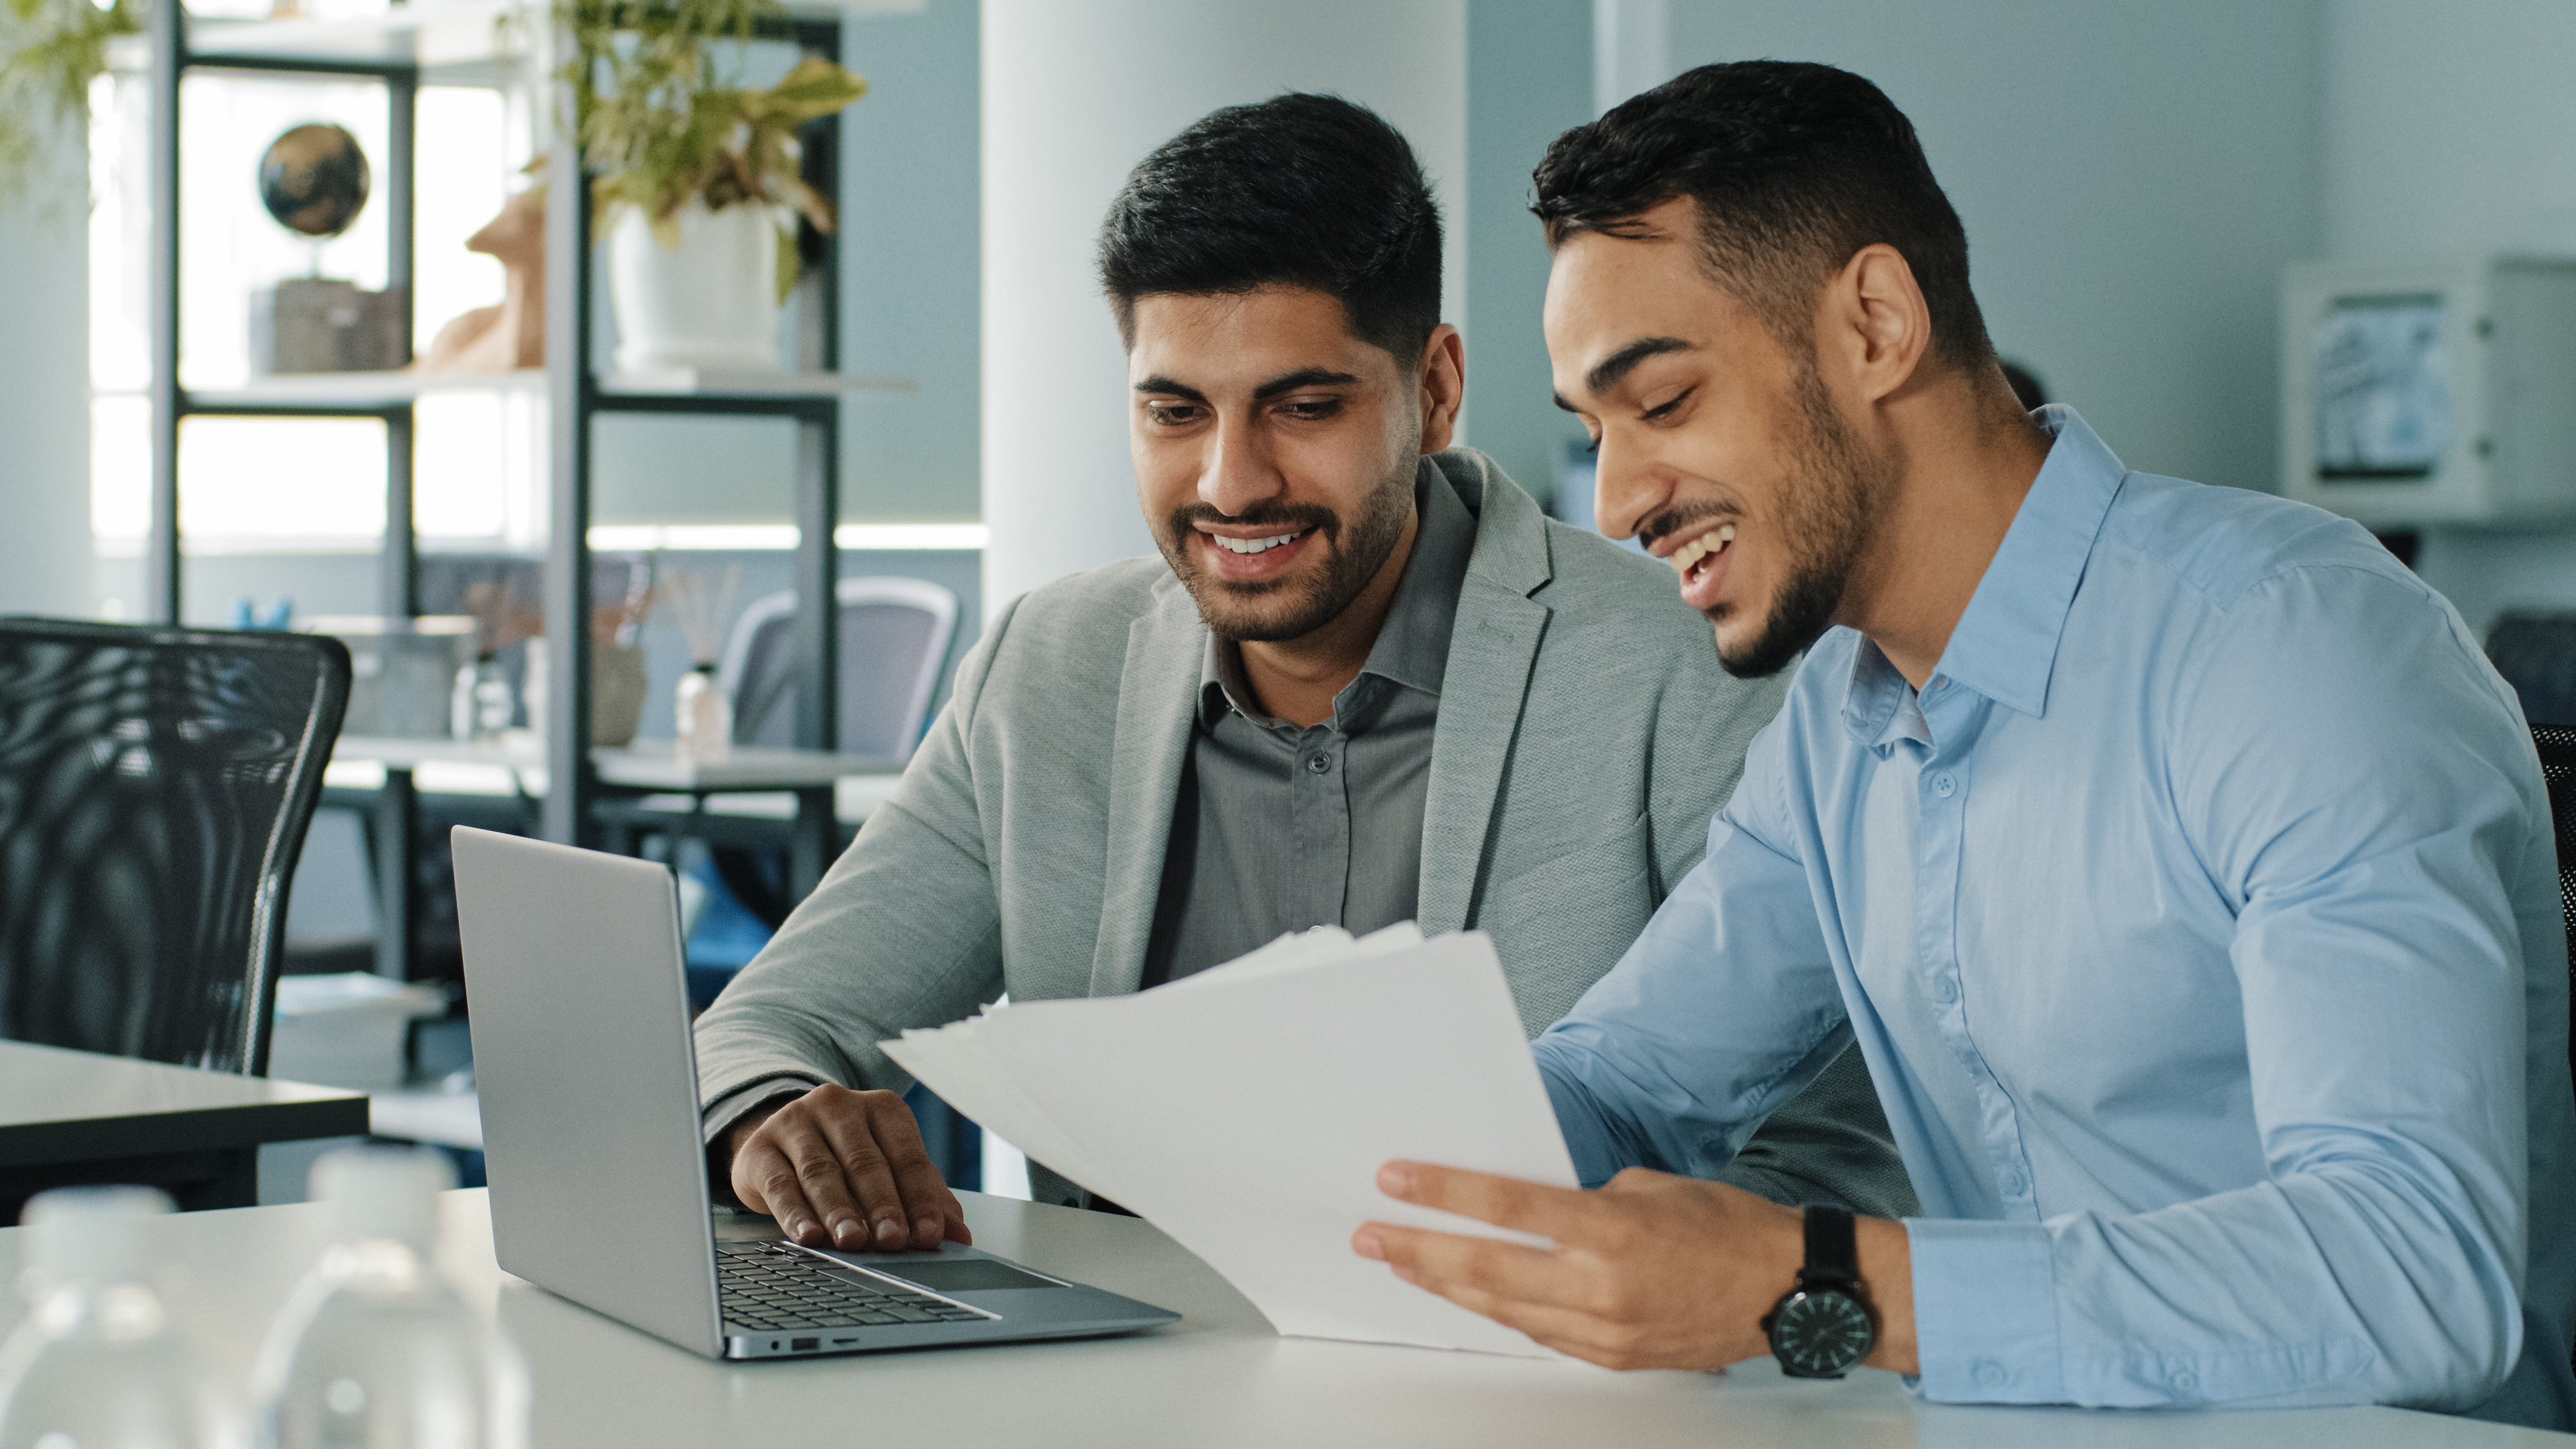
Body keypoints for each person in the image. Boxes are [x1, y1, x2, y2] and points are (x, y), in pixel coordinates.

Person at [1351, 62, 2576, 1431]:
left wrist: (1807, 1282)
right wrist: (1364, 1167)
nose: (1623, 497)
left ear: (1875, 323)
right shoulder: (1836, 720)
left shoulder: (2294, 648)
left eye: (1666, 403)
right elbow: (1628, 1083)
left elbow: (2415, 1272)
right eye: (1595, 431)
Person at [692, 93, 1915, 1258]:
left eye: (1303, 406)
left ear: (1434, 390)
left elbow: (1837, 1160)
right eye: (1176, 413)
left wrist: (1604, 1277)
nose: (1233, 482)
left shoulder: (1695, 667)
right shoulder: (1049, 670)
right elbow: (763, 1025)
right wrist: (777, 1119)